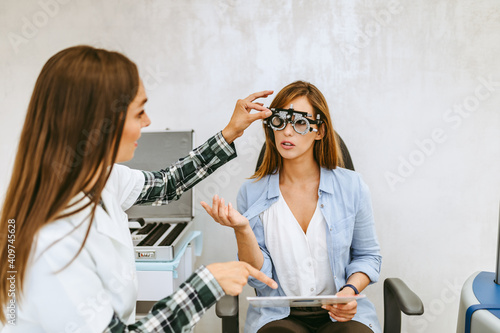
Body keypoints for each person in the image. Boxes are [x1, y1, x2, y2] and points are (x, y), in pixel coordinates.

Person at [0, 45, 278, 332]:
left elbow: (167, 184)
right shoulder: (52, 242)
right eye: (139, 112)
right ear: (100, 122)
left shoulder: (101, 179)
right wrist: (205, 286)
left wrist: (230, 132)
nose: (148, 122)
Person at [202, 81, 382, 333]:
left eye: (299, 123)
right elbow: (257, 276)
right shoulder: (251, 193)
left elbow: (368, 256)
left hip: (340, 314)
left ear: (319, 131)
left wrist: (349, 292)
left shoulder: (352, 186)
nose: (287, 132)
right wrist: (242, 229)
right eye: (280, 121)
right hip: (279, 316)